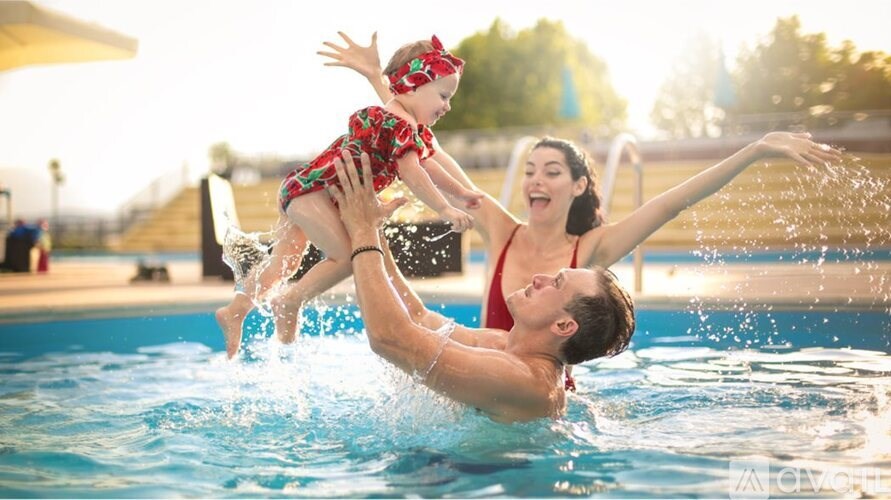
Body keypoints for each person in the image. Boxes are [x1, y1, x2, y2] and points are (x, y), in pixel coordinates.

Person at [317, 31, 843, 388]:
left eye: (550, 171)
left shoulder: (588, 255)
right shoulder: (502, 231)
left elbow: (671, 202)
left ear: (578, 186)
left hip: (511, 387)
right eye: (529, 170)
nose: (534, 181)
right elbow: (425, 145)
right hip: (482, 366)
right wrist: (379, 83)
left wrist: (753, 151)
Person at [216, 35, 483, 358]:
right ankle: (289, 301)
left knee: (285, 262)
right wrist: (444, 207)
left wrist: (462, 192)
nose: (447, 105)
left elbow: (428, 164)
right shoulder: (397, 124)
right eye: (443, 95)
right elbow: (414, 173)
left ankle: (236, 309)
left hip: (303, 189)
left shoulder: (404, 125)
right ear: (413, 86)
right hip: (315, 193)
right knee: (347, 258)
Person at [330, 150, 636, 423]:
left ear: (564, 325)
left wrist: (362, 231)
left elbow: (390, 339)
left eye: (556, 283)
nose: (539, 278)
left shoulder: (524, 381)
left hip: (477, 479)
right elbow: (418, 319)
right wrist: (373, 228)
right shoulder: (504, 345)